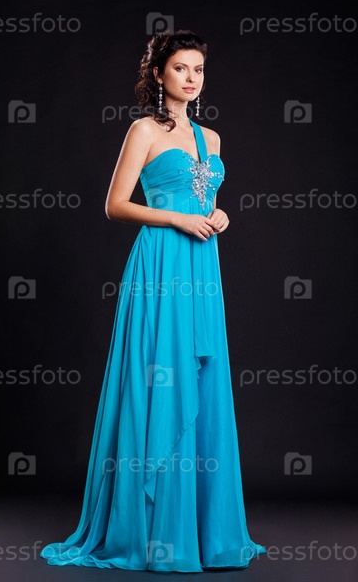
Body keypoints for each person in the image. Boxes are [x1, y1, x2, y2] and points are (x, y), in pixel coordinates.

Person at [40, 29, 266, 572]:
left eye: (198, 70)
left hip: (201, 266)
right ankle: (151, 529)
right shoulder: (143, 130)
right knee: (161, 374)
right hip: (161, 263)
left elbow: (206, 201)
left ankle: (203, 532)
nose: (191, 78)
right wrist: (176, 219)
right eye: (181, 68)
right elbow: (115, 205)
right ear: (159, 74)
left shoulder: (213, 139)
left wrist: (219, 215)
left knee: (201, 376)